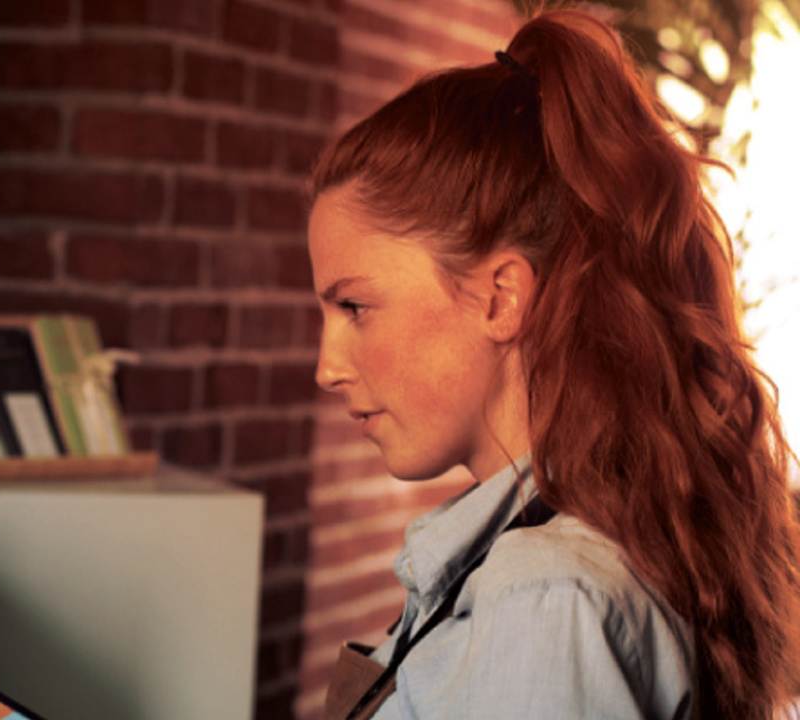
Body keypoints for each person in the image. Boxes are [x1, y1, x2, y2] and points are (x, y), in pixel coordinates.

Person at [308, 8, 800, 720]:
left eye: (353, 307)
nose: (327, 368)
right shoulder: (554, 562)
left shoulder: (542, 596)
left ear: (500, 297)